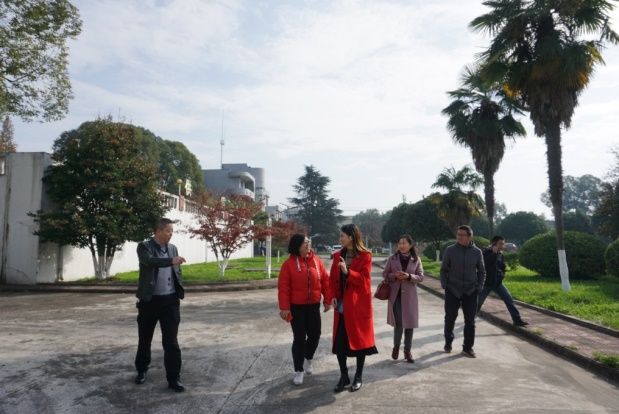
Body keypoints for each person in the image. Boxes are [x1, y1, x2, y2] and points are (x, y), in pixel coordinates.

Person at [134, 218, 187, 392]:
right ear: (158, 231)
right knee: (145, 339)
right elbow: (150, 261)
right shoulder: (144, 247)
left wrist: (178, 290)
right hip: (149, 301)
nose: (171, 234)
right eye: (168, 231)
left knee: (171, 342)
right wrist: (171, 261)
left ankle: (174, 377)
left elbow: (177, 271)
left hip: (170, 302)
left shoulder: (172, 248)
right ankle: (141, 370)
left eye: (172, 231)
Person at [329, 224, 377, 393]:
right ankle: (344, 376)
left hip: (358, 305)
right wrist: (332, 296)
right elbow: (332, 279)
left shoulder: (365, 256)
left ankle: (358, 376)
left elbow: (364, 280)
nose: (340, 238)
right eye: (340, 235)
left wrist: (347, 272)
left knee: (360, 342)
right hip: (342, 306)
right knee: (340, 343)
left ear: (351, 237)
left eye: (342, 236)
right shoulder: (337, 256)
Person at [278, 233, 331, 386]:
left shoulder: (317, 261)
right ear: (297, 246)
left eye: (309, 242)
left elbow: (325, 282)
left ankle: (308, 358)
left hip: (313, 306)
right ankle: (299, 370)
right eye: (305, 243)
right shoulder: (288, 265)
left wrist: (327, 300)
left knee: (315, 335)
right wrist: (285, 308)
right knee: (299, 338)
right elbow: (283, 288)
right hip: (296, 308)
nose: (308, 245)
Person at [440, 225, 485, 358]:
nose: (459, 237)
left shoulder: (477, 252)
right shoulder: (450, 250)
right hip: (453, 290)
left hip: (471, 291)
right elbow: (443, 269)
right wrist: (445, 285)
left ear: (470, 237)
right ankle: (448, 342)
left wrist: (479, 287)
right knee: (450, 318)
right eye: (458, 234)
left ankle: (468, 348)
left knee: (470, 321)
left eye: (462, 235)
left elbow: (482, 271)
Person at [382, 234, 424, 363]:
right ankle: (396, 347)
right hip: (395, 296)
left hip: (410, 297)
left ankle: (407, 350)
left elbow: (420, 277)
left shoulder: (416, 259)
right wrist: (394, 275)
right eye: (399, 243)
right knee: (399, 323)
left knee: (410, 324)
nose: (401, 245)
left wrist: (408, 276)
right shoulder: (392, 258)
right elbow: (385, 274)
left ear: (410, 245)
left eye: (404, 243)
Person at [478, 235, 529, 327]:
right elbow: (484, 264)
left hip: (497, 283)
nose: (502, 245)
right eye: (500, 244)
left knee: (509, 299)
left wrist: (502, 274)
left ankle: (517, 320)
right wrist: (493, 254)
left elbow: (502, 266)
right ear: (494, 244)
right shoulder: (485, 252)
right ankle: (469, 320)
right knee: (478, 303)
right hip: (486, 283)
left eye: (503, 243)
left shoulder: (500, 254)